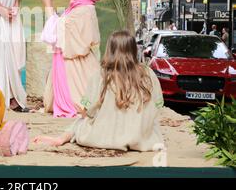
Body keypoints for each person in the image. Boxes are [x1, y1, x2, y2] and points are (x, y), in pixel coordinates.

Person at [33, 30, 164, 151]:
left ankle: (60, 139)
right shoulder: (148, 74)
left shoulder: (100, 76)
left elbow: (86, 112)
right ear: (133, 50)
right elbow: (158, 106)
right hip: (139, 137)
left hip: (102, 136)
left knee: (81, 121)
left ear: (110, 50)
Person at [35, 0, 102, 118]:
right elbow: (61, 26)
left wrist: (47, 5)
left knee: (78, 97)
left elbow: (61, 28)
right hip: (72, 58)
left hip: (74, 59)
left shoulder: (84, 9)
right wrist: (49, 4)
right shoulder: (80, 7)